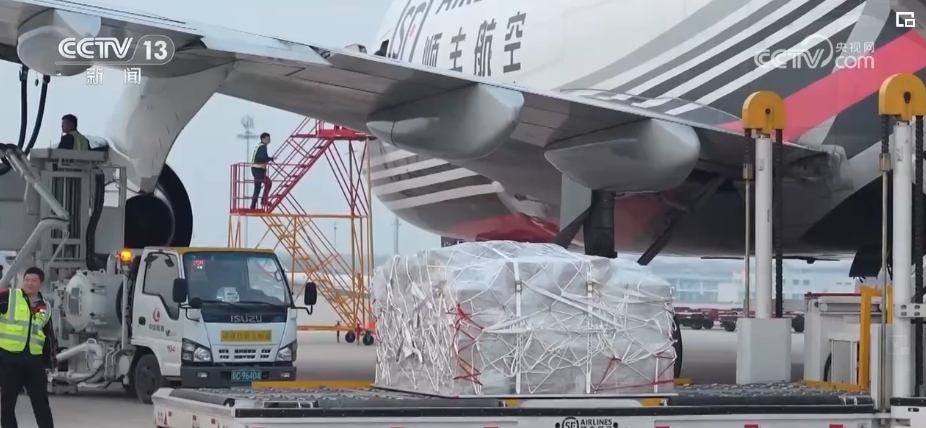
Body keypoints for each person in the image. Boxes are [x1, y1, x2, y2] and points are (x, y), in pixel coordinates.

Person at [0, 267, 56, 428]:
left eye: (33, 281)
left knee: (41, 404)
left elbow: (49, 336)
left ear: (41, 284)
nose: (29, 283)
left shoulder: (45, 306)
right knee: (7, 404)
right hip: (9, 359)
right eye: (26, 280)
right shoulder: (8, 297)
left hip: (34, 362)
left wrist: (50, 362)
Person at [250, 132, 274, 209]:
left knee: (257, 189)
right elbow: (262, 158)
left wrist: (269, 159)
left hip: (256, 169)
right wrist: (270, 159)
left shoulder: (260, 146)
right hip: (258, 170)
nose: (269, 140)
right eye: (268, 138)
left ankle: (253, 207)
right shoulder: (262, 147)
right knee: (268, 183)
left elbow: (262, 157)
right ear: (263, 139)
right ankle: (264, 200)